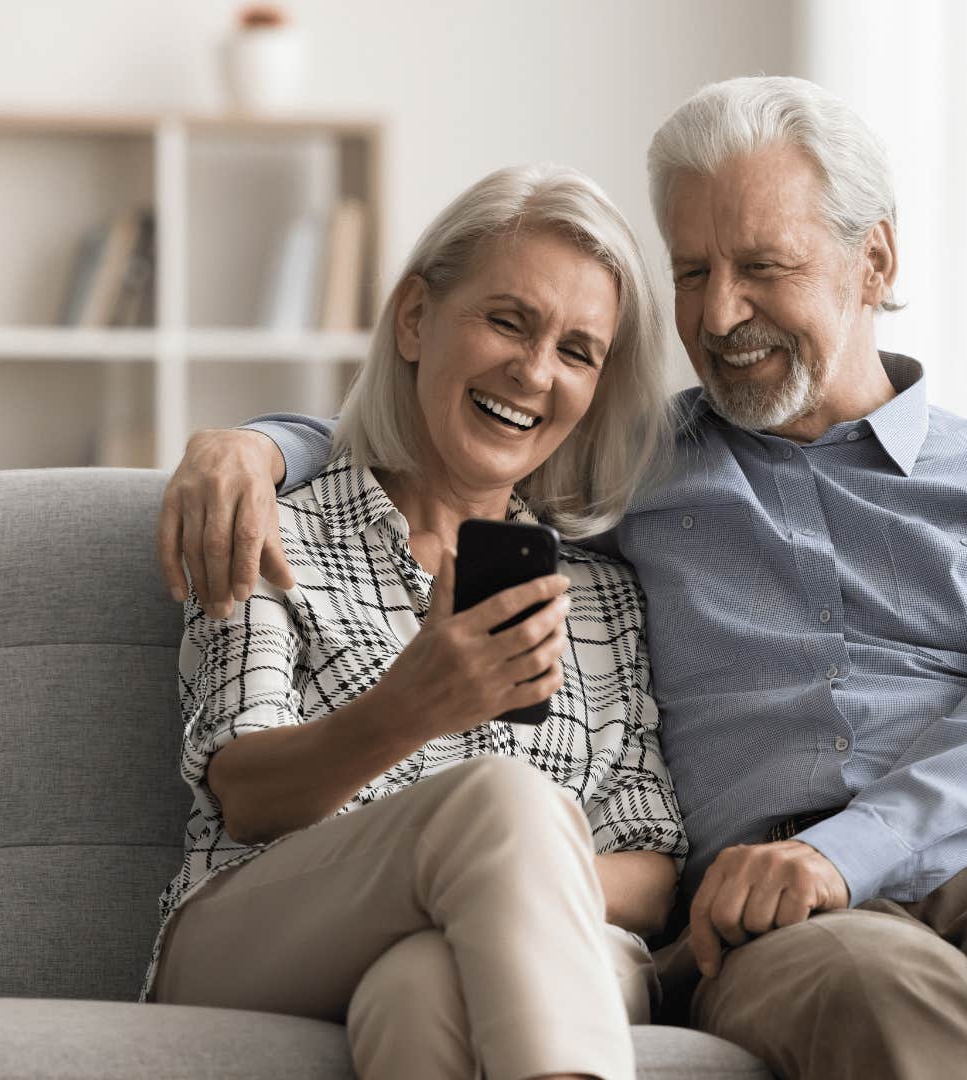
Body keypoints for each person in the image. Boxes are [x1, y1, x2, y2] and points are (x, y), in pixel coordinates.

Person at [160, 77, 967, 1079]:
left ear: (875, 264)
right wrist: (257, 445)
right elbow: (459, 440)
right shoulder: (634, 474)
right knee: (887, 1003)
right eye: (693, 271)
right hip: (772, 914)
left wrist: (840, 855)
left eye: (763, 267)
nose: (716, 314)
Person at [142, 162, 687, 1080]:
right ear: (414, 319)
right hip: (255, 929)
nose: (534, 370)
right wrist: (414, 707)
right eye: (507, 320)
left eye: (578, 351)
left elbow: (652, 867)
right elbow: (246, 796)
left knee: (425, 986)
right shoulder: (273, 527)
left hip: (544, 947)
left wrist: (496, 893)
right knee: (505, 799)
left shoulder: (605, 598)